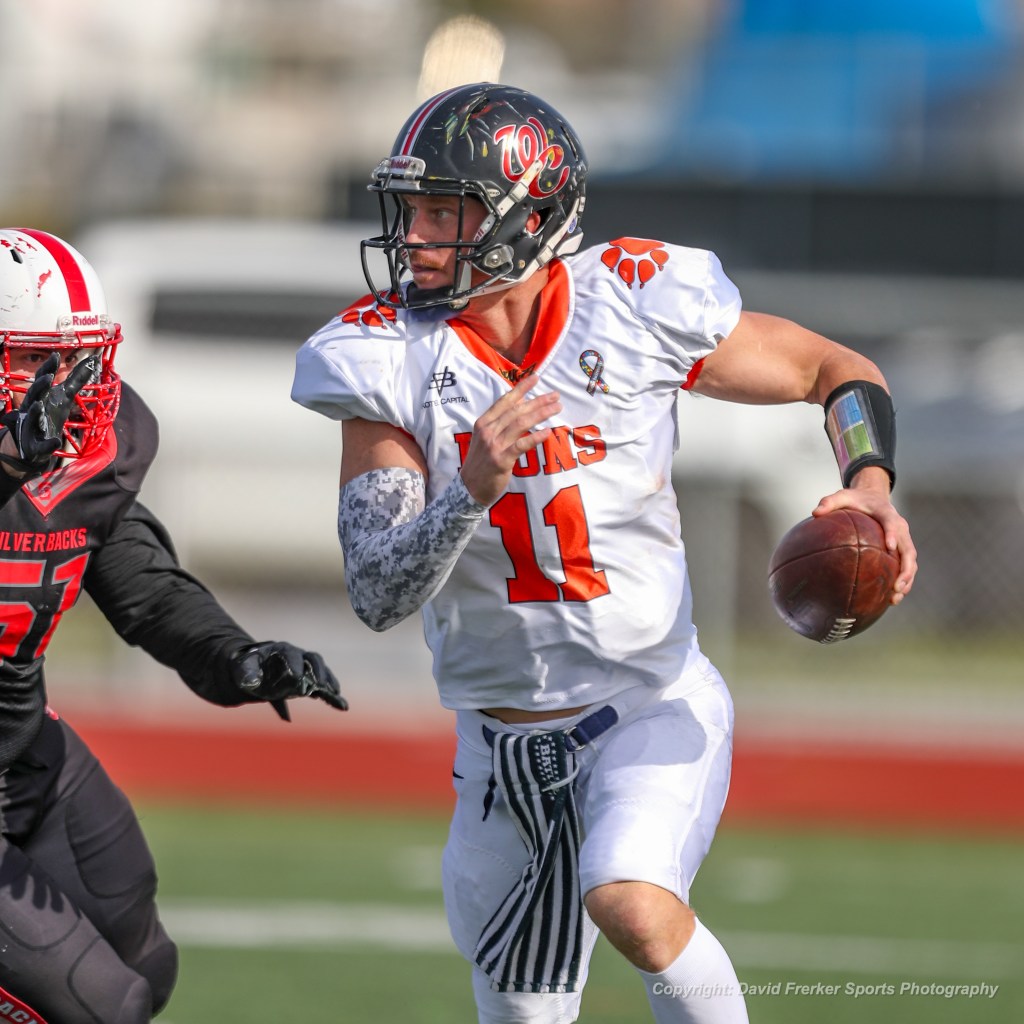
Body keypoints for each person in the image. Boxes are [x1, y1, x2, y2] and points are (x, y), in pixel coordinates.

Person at [292, 82, 918, 1024]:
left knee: (632, 902)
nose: (414, 236)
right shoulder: (383, 353)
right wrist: (469, 490)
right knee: (523, 1012)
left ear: (529, 217)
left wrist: (869, 485)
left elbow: (836, 371)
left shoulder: (631, 299)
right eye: (411, 209)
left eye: (444, 212)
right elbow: (377, 588)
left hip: (647, 702)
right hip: (499, 748)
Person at [0, 227, 347, 1023]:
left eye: (76, 359)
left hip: (22, 753)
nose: (63, 385)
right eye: (34, 359)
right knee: (102, 1006)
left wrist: (234, 657)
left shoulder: (97, 449)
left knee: (143, 965)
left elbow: (141, 585)